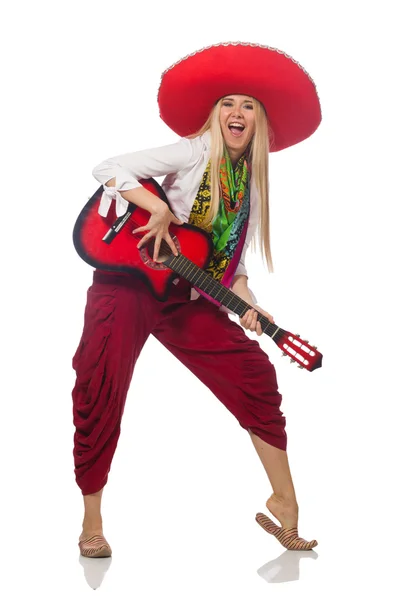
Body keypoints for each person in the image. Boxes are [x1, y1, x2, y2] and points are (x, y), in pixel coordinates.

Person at [72, 42, 322, 558]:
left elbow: (228, 270)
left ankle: (285, 503)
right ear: (215, 114)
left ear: (259, 125)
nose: (236, 113)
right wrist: (155, 211)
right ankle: (91, 521)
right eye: (229, 103)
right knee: (100, 383)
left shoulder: (247, 188)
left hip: (185, 293)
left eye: (248, 106)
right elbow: (109, 167)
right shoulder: (191, 151)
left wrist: (250, 305)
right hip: (129, 284)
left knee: (254, 372)